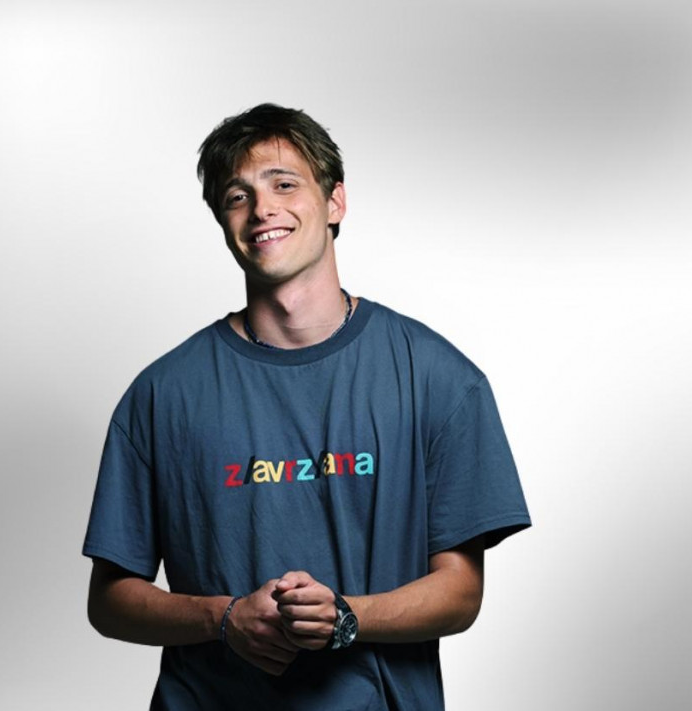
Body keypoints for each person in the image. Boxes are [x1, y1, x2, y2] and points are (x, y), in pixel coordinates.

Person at [83, 103, 531, 710]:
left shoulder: (437, 377)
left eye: (284, 184)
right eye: (237, 196)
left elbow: (460, 594)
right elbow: (109, 600)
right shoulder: (163, 395)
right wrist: (224, 618)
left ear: (335, 201)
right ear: (223, 221)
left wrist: (347, 616)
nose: (262, 209)